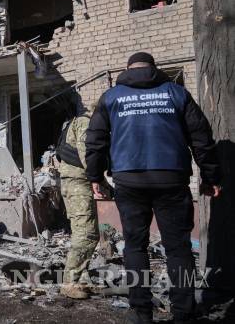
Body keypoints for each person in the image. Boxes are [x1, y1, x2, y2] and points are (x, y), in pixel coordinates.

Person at [85, 52, 221, 324]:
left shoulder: (111, 97)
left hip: (128, 181)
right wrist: (211, 176)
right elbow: (201, 137)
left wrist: (95, 176)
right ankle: (183, 313)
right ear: (154, 68)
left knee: (135, 246)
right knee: (179, 248)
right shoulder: (176, 93)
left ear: (128, 69)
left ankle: (141, 313)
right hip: (171, 179)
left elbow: (96, 140)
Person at [56, 96, 99, 299]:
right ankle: (70, 282)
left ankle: (81, 279)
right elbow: (87, 154)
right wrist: (97, 178)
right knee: (87, 234)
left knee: (82, 232)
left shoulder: (79, 121)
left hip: (74, 183)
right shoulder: (86, 123)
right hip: (78, 184)